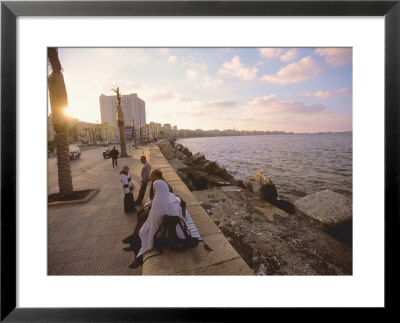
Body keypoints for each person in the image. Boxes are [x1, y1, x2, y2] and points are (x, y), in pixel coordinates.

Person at [136, 180, 188, 259]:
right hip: (175, 229)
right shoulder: (171, 196)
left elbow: (154, 221)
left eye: (154, 188)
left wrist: (150, 242)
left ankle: (135, 242)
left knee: (142, 231)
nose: (153, 190)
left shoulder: (157, 201)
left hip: (161, 230)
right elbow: (180, 214)